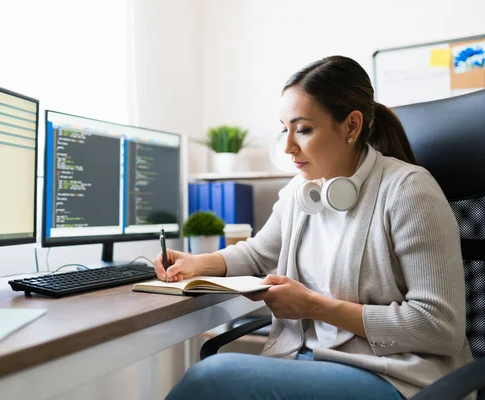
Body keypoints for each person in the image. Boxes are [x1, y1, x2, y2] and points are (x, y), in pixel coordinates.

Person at [154, 56, 474, 400]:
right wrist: (197, 263)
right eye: (285, 129)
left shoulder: (409, 190)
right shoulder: (300, 191)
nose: (289, 146)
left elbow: (440, 328)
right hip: (310, 361)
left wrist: (314, 306)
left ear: (352, 126)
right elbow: (258, 252)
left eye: (303, 129)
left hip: (394, 376)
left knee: (212, 379)